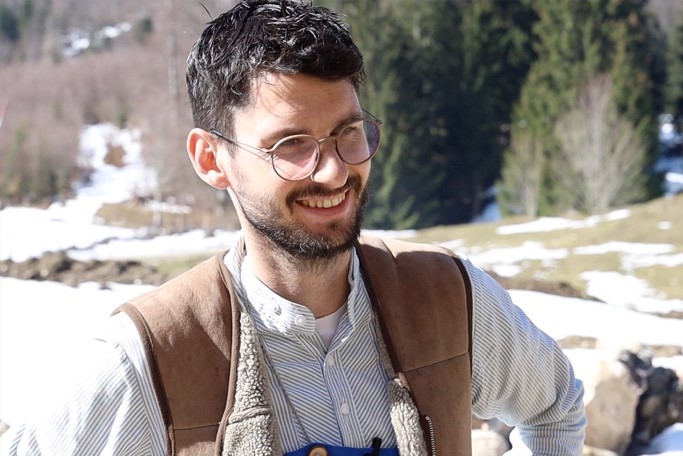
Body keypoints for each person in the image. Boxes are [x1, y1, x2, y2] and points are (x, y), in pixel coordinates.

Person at [1, 0, 586, 455]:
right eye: (291, 145)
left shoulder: (450, 299)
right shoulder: (147, 357)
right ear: (211, 160)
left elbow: (554, 408)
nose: (333, 169)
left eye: (348, 132)